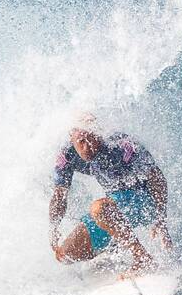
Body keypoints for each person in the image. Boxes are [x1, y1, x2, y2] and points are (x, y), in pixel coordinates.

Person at [49, 115, 172, 273]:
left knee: (99, 208)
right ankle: (114, 246)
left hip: (144, 202)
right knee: (65, 255)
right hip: (115, 208)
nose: (89, 146)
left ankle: (142, 258)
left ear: (99, 133)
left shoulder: (121, 145)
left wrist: (161, 220)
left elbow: (157, 178)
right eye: (82, 141)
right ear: (72, 137)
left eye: (92, 138)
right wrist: (53, 227)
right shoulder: (67, 156)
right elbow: (60, 194)